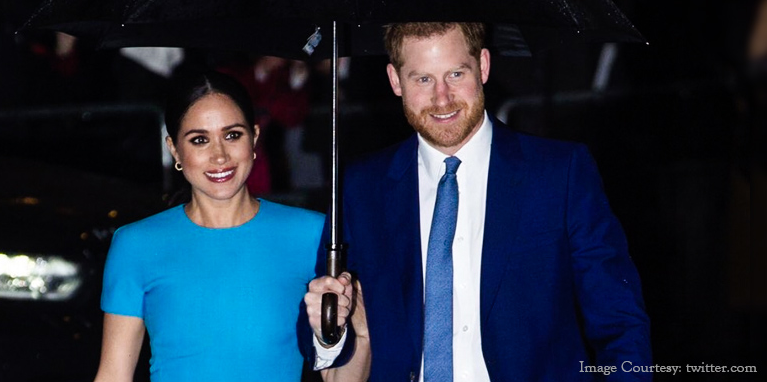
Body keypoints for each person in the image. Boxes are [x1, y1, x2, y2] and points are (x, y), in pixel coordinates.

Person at [305, 22, 651, 381]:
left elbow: (620, 321)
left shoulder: (558, 173)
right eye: (423, 79)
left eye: (456, 73)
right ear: (395, 80)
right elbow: (318, 330)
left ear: (483, 66)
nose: (442, 97)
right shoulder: (361, 188)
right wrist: (330, 327)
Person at [94, 70, 354, 382]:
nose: (219, 156)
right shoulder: (136, 244)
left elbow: (344, 376)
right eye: (199, 140)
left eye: (232, 135)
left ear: (254, 138)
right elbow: (113, 375)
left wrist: (346, 330)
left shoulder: (313, 235)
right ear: (174, 149)